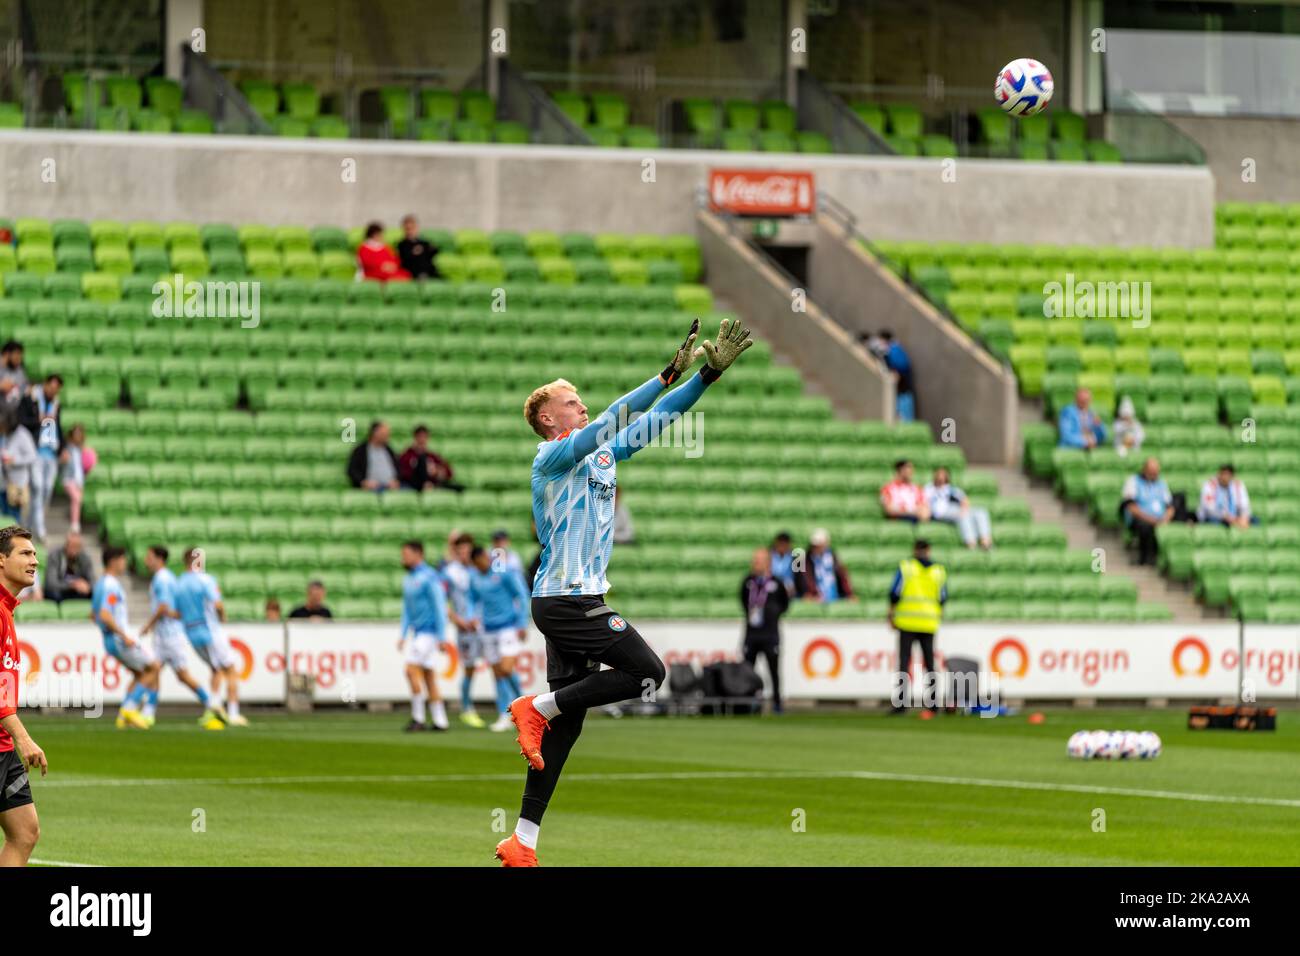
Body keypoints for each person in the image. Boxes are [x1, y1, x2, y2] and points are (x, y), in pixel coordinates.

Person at [496, 315, 752, 867]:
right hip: (565, 600)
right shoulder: (551, 457)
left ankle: (523, 840)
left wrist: (704, 376)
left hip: (575, 600)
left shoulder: (606, 456)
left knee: (567, 726)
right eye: (572, 402)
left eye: (581, 400)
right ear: (547, 418)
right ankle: (533, 706)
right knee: (647, 673)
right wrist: (662, 374)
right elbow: (616, 415)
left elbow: (658, 419)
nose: (582, 407)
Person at [0, 525, 47, 866]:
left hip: (2, 747)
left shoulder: (7, 611)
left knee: (25, 831)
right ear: (1, 560)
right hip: (5, 742)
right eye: (25, 553)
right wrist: (25, 739)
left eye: (34, 553)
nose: (35, 560)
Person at [140, 546, 226, 730]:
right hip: (174, 633)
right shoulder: (188, 579)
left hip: (175, 634)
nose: (145, 560)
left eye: (149, 556)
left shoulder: (170, 580)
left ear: (159, 558)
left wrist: (150, 624)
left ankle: (211, 705)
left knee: (180, 675)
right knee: (156, 671)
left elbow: (169, 609)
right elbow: (213, 604)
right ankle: (148, 713)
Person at [174, 549, 247, 726]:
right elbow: (217, 604)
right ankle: (233, 713)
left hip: (191, 633)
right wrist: (222, 616)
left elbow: (176, 612)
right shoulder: (205, 579)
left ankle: (213, 708)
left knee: (216, 669)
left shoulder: (179, 584)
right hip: (211, 630)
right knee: (230, 669)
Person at [93, 547, 161, 730]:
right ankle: (129, 710)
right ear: (114, 560)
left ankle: (123, 718)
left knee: (140, 674)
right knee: (154, 667)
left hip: (110, 639)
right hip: (118, 638)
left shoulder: (100, 584)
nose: (124, 564)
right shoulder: (111, 585)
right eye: (123, 559)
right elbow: (105, 614)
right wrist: (124, 635)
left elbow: (94, 614)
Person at [468, 545, 531, 732]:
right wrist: (472, 615)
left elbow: (521, 594)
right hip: (488, 630)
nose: (484, 562)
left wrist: (522, 622)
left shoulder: (504, 573)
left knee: (505, 668)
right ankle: (505, 713)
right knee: (497, 673)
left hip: (507, 628)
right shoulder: (475, 578)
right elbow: (471, 598)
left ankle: (523, 704)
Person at [889, 539, 947, 717]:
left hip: (907, 622)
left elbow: (894, 592)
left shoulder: (906, 567)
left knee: (904, 662)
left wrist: (891, 612)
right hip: (929, 622)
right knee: (929, 663)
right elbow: (943, 596)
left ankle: (900, 704)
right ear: (929, 550)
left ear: (914, 550)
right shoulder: (938, 571)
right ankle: (933, 703)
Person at [397, 540, 451, 733]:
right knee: (428, 675)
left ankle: (418, 718)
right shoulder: (408, 579)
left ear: (418, 554)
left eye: (406, 554)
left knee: (410, 670)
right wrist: (403, 634)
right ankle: (440, 721)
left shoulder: (429, 577)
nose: (403, 558)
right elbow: (407, 610)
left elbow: (439, 607)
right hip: (419, 633)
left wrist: (442, 637)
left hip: (429, 633)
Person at [440, 531, 483, 728]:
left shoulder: (480, 569)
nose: (464, 552)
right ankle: (466, 708)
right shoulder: (450, 571)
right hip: (466, 629)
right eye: (460, 549)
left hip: (485, 626)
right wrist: (457, 620)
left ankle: (507, 710)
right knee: (469, 668)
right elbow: (442, 600)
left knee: (502, 667)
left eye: (467, 548)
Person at [740, 547, 790, 714]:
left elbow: (785, 604)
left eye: (758, 560)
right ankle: (748, 704)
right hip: (752, 635)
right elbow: (742, 601)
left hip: (770, 635)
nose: (755, 563)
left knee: (773, 671)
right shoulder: (748, 582)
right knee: (747, 671)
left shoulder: (776, 582)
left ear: (767, 562)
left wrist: (772, 613)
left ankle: (777, 703)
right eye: (754, 560)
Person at [17, 374, 63, 544]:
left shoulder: (56, 404)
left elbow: (59, 426)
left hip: (50, 451)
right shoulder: (31, 398)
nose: (53, 391)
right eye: (51, 387)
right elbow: (22, 420)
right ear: (45, 385)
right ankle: (40, 528)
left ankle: (29, 523)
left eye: (56, 389)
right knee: (37, 487)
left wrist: (62, 448)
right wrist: (38, 420)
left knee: (47, 489)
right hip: (35, 449)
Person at [1121, 457, 1174, 566]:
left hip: (1160, 519)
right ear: (1144, 470)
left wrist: (1166, 518)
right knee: (1144, 527)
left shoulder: (1161, 483)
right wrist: (1151, 520)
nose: (1154, 475)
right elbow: (1131, 506)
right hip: (1141, 518)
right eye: (1151, 472)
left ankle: (1162, 559)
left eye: (1156, 473)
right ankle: (1144, 558)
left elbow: (1170, 507)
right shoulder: (1133, 481)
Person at [924, 467, 993, 550]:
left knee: (981, 512)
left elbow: (964, 500)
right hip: (941, 512)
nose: (941, 477)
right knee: (962, 515)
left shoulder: (952, 489)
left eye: (943, 475)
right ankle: (971, 543)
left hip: (956, 509)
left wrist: (964, 507)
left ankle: (985, 540)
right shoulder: (929, 488)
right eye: (939, 474)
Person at [397, 424, 463, 492]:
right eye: (420, 437)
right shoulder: (407, 456)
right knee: (421, 459)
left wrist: (437, 472)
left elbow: (449, 472)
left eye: (425, 437)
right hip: (415, 486)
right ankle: (426, 484)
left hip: (433, 485)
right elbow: (403, 474)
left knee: (458, 488)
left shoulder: (432, 456)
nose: (422, 440)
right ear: (415, 437)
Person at [796, 528, 854, 602]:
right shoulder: (804, 559)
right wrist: (807, 593)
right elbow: (802, 579)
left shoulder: (832, 556)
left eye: (819, 545)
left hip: (833, 596)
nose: (816, 547)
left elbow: (842, 575)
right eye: (815, 545)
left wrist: (849, 593)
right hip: (816, 598)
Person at [0, 409, 36, 527]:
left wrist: (14, 460)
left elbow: (32, 456)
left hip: (17, 483)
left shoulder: (22, 435)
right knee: (4, 516)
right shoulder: (5, 435)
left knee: (14, 517)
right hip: (4, 482)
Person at [347, 420, 401, 491]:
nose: (387, 436)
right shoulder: (361, 450)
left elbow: (398, 467)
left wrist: (396, 480)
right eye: (384, 433)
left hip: (391, 487)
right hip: (372, 488)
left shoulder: (388, 450)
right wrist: (364, 482)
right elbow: (352, 470)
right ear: (375, 433)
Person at [1197, 464, 1254, 529]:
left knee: (1254, 521)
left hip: (1234, 517)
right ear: (1219, 474)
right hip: (1213, 517)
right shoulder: (1210, 485)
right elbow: (1209, 509)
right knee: (1217, 523)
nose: (1225, 477)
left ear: (1232, 476)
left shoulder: (1238, 485)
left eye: (1228, 475)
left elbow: (1245, 506)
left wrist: (1243, 518)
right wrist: (1225, 517)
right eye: (1223, 474)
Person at [43, 531, 94, 602]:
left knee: (93, 593)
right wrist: (73, 585)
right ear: (66, 545)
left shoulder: (85, 558)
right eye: (72, 546)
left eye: (77, 546)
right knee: (53, 593)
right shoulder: (55, 556)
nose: (74, 550)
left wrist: (86, 586)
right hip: (61, 591)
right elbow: (51, 584)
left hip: (77, 591)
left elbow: (92, 581)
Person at [879, 331, 916, 422]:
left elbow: (901, 367)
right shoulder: (892, 351)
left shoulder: (895, 350)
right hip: (900, 393)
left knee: (905, 420)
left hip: (903, 393)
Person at [880, 459, 930, 523]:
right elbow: (889, 510)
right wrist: (913, 512)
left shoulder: (917, 489)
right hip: (899, 521)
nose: (911, 471)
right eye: (908, 468)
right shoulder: (887, 488)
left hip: (916, 520)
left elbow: (925, 511)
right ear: (900, 470)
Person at [60, 422, 88, 532]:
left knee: (77, 501)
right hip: (68, 478)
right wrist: (63, 459)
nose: (77, 436)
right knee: (77, 499)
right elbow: (62, 462)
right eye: (75, 433)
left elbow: (81, 466)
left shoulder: (80, 449)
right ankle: (75, 524)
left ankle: (75, 522)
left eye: (79, 434)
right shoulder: (67, 448)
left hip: (78, 480)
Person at [396, 214, 440, 279]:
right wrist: (414, 252)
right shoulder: (402, 244)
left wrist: (430, 248)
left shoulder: (424, 242)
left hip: (428, 269)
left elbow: (434, 252)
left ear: (416, 228)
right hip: (413, 270)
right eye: (408, 229)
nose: (410, 231)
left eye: (412, 228)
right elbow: (404, 259)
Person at [769, 531, 796, 595]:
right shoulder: (769, 556)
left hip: (789, 587)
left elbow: (799, 578)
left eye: (784, 544)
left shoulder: (795, 558)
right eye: (780, 543)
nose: (782, 546)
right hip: (772, 585)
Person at [0, 341, 26, 407]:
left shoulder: (20, 371)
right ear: (7, 354)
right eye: (16, 354)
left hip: (14, 412)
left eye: (20, 354)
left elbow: (23, 390)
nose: (19, 358)